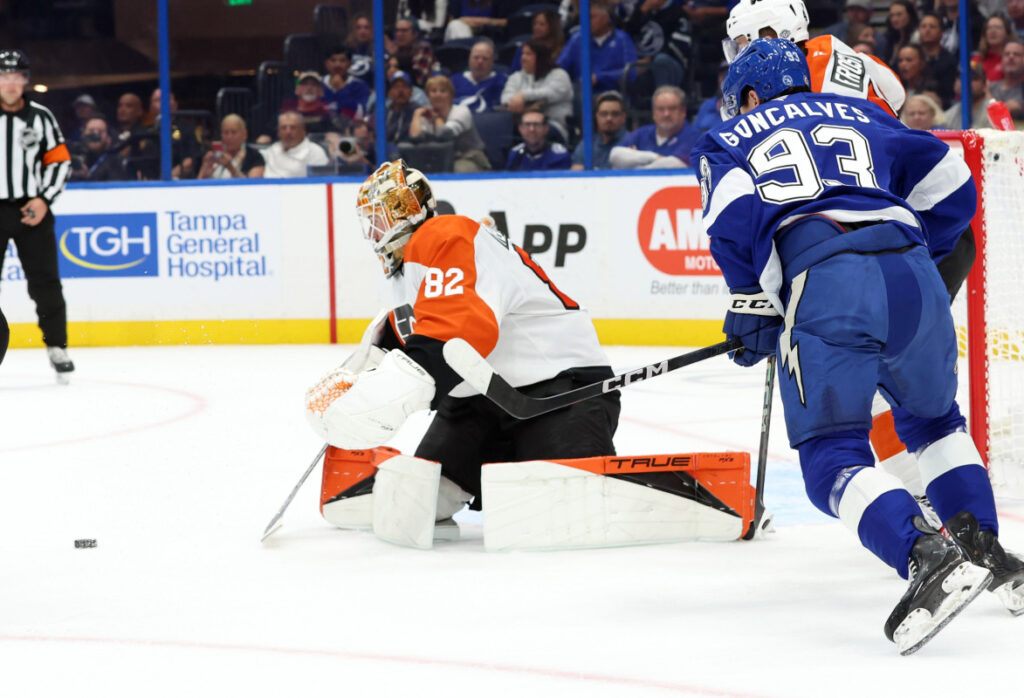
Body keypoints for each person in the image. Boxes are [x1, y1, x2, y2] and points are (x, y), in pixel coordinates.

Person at [692, 36, 1023, 656]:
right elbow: (953, 184)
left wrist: (752, 299)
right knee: (936, 424)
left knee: (830, 458)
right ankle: (990, 552)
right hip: (913, 271)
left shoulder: (727, 138)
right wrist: (915, 248)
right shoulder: (863, 111)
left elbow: (733, 215)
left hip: (828, 281)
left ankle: (924, 552)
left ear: (754, 94)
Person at [305, 159, 619, 518]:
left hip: (558, 392)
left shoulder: (444, 235)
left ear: (404, 210)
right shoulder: (404, 272)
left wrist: (384, 396)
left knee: (567, 508)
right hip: (478, 405)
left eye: (377, 217)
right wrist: (362, 379)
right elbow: (410, 337)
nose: (372, 231)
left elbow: (459, 334)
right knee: (415, 506)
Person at [0, 49, 74, 380]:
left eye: (17, 77)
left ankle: (57, 346)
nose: (11, 84)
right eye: (5, 76)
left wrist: (44, 198)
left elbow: (60, 161)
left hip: (32, 210)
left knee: (45, 283)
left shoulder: (41, 117)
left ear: (26, 80)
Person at [724, 0, 905, 118]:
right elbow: (897, 94)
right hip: (894, 152)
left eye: (741, 42)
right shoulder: (830, 44)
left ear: (770, 37)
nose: (739, 52)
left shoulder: (785, 82)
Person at [408, 75, 491, 172]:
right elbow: (415, 137)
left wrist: (437, 118)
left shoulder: (462, 111)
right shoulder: (426, 114)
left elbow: (444, 134)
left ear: (451, 95)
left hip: (468, 158)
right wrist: (416, 115)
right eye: (433, 91)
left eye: (443, 91)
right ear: (428, 96)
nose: (438, 94)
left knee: (458, 170)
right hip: (437, 160)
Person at [500, 40, 574, 142]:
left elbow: (550, 93)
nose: (523, 58)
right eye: (523, 54)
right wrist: (516, 101)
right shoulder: (516, 77)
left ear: (541, 57)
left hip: (553, 124)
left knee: (535, 132)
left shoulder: (559, 75)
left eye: (528, 54)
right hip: (523, 124)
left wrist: (523, 96)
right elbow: (505, 98)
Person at [609, 86, 697, 169]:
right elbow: (615, 155)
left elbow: (676, 165)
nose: (666, 114)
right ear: (654, 113)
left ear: (683, 111)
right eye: (661, 109)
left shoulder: (694, 138)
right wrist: (655, 158)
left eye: (672, 108)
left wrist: (634, 160)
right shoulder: (642, 133)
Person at [558, 2, 637, 93]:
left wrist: (599, 77)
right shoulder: (577, 39)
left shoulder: (622, 39)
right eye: (584, 17)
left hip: (613, 93)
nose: (586, 21)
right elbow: (560, 67)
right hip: (582, 95)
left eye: (591, 17)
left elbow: (631, 72)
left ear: (605, 19)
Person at [618, 0, 692, 89]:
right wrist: (641, 12)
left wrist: (650, 59)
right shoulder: (641, 9)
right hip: (640, 59)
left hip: (670, 60)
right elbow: (626, 37)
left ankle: (662, 98)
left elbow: (681, 45)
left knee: (661, 60)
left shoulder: (678, 13)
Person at [571, 90, 628, 170]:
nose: (609, 118)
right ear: (597, 116)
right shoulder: (587, 145)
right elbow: (575, 173)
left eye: (615, 114)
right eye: (604, 114)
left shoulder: (632, 142)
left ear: (623, 117)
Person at [261, 111, 329, 178]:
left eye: (293, 127)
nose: (288, 132)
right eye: (283, 128)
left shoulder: (315, 152)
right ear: (278, 132)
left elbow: (320, 182)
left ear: (303, 130)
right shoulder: (270, 151)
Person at [197, 114, 264, 179]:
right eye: (226, 132)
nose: (229, 137)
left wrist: (230, 168)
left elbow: (253, 185)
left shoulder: (254, 156)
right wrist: (204, 172)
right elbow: (197, 184)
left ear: (244, 134)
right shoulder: (213, 155)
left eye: (233, 132)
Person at [451, 38, 507, 114]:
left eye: (485, 58)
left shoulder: (502, 81)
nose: (480, 62)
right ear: (469, 59)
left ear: (492, 62)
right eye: (476, 57)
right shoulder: (454, 81)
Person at [505, 107, 572, 171]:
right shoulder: (515, 154)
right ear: (520, 129)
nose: (532, 129)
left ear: (546, 128)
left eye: (536, 124)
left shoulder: (559, 155)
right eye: (527, 124)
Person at [917, 13, 958, 107]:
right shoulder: (912, 57)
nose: (927, 30)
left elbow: (949, 95)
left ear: (941, 33)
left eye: (932, 27)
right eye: (923, 26)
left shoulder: (949, 61)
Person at [69, 115, 127, 182]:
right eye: (91, 131)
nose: (95, 134)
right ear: (83, 134)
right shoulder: (73, 159)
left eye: (100, 131)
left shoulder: (116, 163)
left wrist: (88, 178)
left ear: (108, 138)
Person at [322, 45, 370, 121]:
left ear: (349, 63)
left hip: (351, 130)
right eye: (333, 60)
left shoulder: (360, 86)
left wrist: (342, 89)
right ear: (327, 63)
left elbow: (360, 115)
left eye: (342, 61)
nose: (337, 65)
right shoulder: (319, 84)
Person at [508, 8, 565, 72]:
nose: (536, 27)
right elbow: (514, 72)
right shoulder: (524, 48)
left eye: (542, 24)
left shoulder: (562, 51)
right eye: (535, 24)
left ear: (552, 26)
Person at [387, 17, 434, 87]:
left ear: (415, 34)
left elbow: (420, 81)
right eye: (397, 30)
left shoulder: (423, 48)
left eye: (404, 31)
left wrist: (395, 57)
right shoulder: (392, 48)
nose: (399, 34)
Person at [941, 65, 991, 129]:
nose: (966, 82)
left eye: (974, 78)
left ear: (984, 85)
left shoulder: (994, 111)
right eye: (961, 78)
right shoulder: (949, 115)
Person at [991, 40, 1024, 122]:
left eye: (1017, 54)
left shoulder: (986, 90)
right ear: (1001, 59)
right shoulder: (990, 87)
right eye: (1006, 54)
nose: (1011, 57)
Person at [975, 15, 1012, 83]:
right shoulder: (976, 60)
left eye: (998, 27)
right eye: (989, 28)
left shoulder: (1013, 58)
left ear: (1007, 33)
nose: (993, 31)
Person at [385, 70, 418, 144]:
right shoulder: (383, 112)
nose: (400, 91)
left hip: (409, 153)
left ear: (411, 92)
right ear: (389, 92)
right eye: (396, 87)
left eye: (405, 86)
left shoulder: (417, 111)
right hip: (386, 152)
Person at [882, 1, 919, 67]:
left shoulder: (917, 36)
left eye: (899, 15)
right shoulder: (890, 38)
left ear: (910, 15)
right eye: (892, 15)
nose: (894, 19)